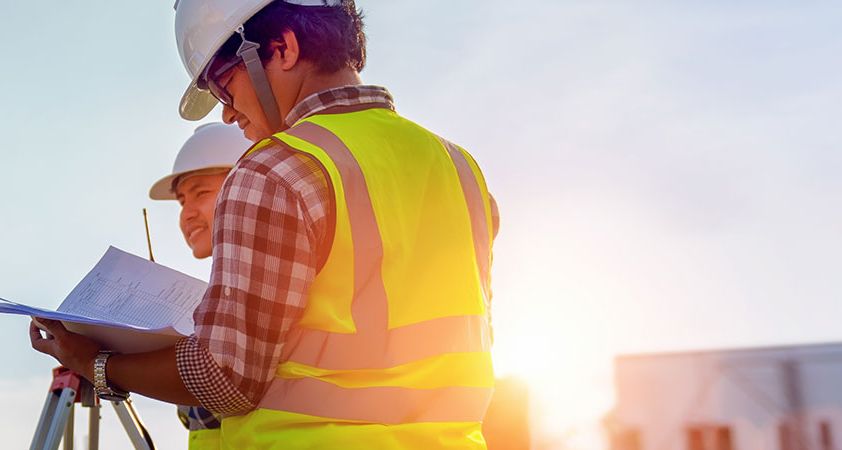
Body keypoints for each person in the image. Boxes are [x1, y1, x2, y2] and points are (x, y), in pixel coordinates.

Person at [31, 0, 501, 448]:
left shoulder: (274, 169)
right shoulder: (459, 167)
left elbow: (225, 378)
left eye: (222, 83)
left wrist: (95, 363)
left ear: (282, 47)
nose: (227, 111)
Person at [148, 123, 253, 449]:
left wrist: (101, 367)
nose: (187, 214)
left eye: (201, 193)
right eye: (181, 201)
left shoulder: (261, 288)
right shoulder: (213, 298)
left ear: (246, 187)